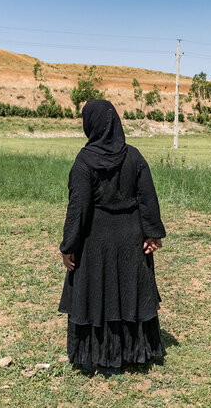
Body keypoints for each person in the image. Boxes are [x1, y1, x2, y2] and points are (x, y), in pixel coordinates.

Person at [58, 99, 166, 372]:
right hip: (131, 238)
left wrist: (68, 245)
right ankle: (133, 354)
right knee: (128, 293)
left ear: (91, 125)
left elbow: (78, 208)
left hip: (96, 242)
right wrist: (152, 234)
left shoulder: (84, 161)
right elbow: (147, 199)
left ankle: (99, 356)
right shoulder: (135, 156)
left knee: (98, 294)